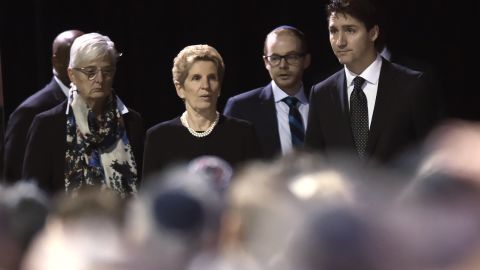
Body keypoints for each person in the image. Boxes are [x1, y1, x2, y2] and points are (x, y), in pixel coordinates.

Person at [305, 0, 440, 165]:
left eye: (350, 30)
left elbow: (433, 158)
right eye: (333, 31)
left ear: (373, 33)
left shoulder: (412, 85)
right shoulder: (321, 94)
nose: (340, 41)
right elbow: (312, 164)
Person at [22, 33, 144, 198]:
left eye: (107, 71)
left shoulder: (131, 121)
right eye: (90, 72)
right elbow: (33, 196)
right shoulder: (47, 125)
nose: (100, 79)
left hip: (124, 222)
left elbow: (145, 187)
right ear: (71, 74)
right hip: (69, 222)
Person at [142, 44, 259, 178]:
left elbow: (256, 191)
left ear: (219, 87)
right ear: (180, 88)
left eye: (212, 78)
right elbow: (150, 196)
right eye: (196, 78)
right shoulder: (159, 137)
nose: (205, 86)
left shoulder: (243, 133)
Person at [3, 30, 84, 182]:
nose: (83, 64)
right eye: (75, 56)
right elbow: (14, 178)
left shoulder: (106, 106)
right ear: (56, 61)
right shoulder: (30, 112)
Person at [224, 25, 311, 159]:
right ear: (266, 62)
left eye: (292, 57)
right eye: (275, 58)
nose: (283, 65)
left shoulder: (324, 103)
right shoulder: (241, 108)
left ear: (306, 60)